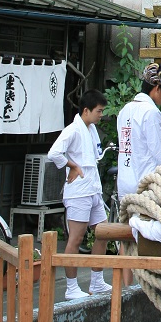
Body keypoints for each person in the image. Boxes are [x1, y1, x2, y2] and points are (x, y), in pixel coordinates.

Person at [47, 89, 111, 300]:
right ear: (86, 110)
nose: (101, 115)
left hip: (93, 188)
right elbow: (54, 152)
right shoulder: (73, 130)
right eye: (99, 111)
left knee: (103, 232)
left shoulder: (90, 129)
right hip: (78, 192)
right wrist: (71, 165)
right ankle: (71, 287)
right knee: (76, 237)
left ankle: (97, 280)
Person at [116, 64, 161, 285]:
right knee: (144, 235)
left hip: (125, 181)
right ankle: (144, 286)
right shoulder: (151, 112)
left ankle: (126, 287)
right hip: (144, 184)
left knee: (126, 237)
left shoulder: (125, 109)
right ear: (157, 88)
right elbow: (160, 154)